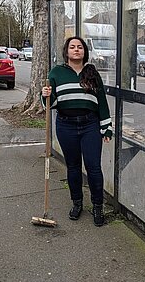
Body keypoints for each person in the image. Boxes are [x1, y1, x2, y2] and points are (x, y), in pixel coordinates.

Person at [41, 36, 112, 227]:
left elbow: (102, 101)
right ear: (67, 51)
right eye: (72, 47)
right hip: (66, 125)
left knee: (93, 167)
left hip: (90, 125)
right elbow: (52, 104)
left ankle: (98, 206)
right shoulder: (56, 73)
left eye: (79, 47)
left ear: (84, 51)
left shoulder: (91, 73)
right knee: (73, 167)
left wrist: (106, 127)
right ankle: (77, 203)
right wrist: (45, 95)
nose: (76, 50)